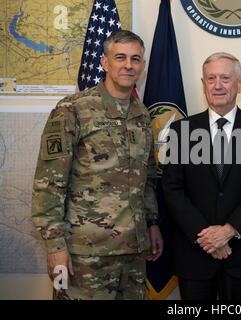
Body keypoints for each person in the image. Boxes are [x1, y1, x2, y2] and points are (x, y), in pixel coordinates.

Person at [32, 30, 163, 300]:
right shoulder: (73, 109)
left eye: (135, 59)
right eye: (120, 57)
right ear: (104, 62)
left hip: (133, 252)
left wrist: (152, 223)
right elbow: (49, 183)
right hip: (84, 253)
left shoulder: (142, 115)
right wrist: (55, 246)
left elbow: (147, 178)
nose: (128, 65)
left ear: (142, 65)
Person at [161, 52, 241, 300]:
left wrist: (228, 231)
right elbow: (173, 189)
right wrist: (206, 235)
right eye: (211, 78)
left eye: (225, 78)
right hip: (194, 253)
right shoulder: (182, 131)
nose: (218, 85)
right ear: (203, 84)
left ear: (240, 83)